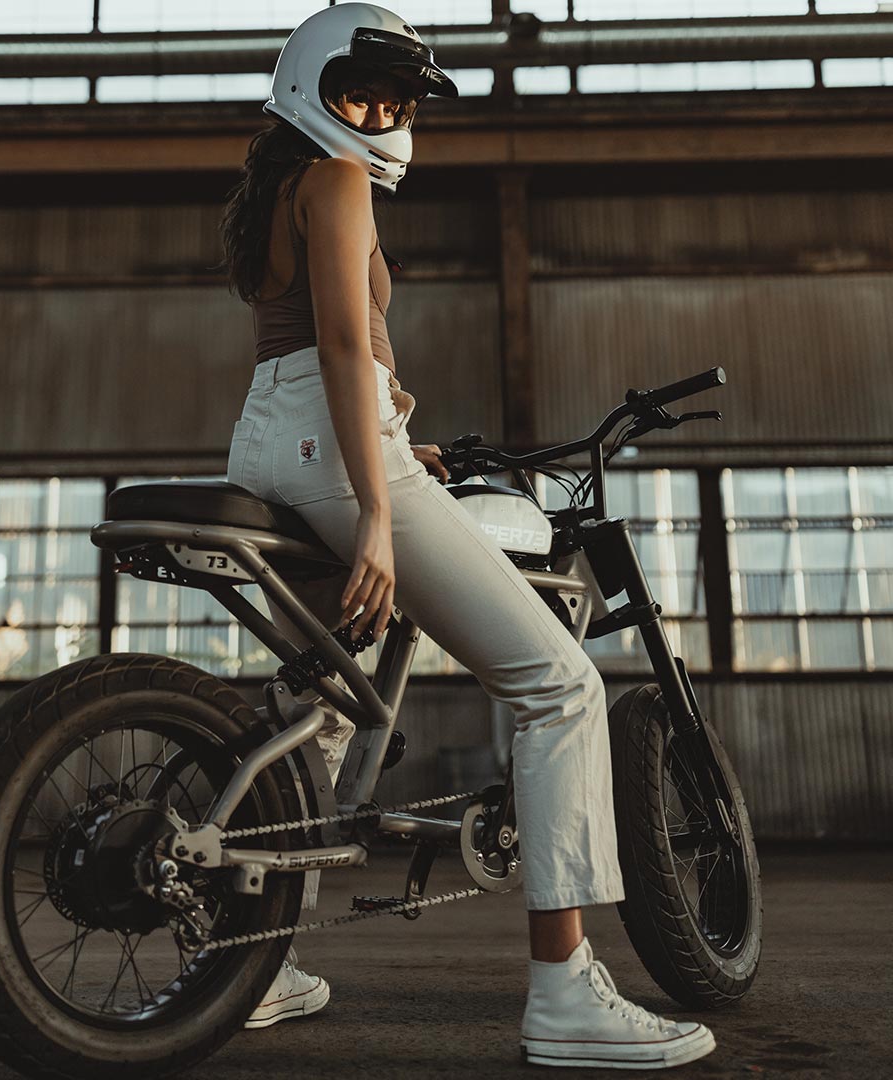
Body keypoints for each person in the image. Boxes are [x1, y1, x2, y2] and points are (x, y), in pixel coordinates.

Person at [220, 3, 716, 1068]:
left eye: (399, 99)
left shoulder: (282, 186)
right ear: (316, 82)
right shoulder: (338, 178)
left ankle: (249, 964)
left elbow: (317, 353)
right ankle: (564, 992)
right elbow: (347, 346)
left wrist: (406, 446)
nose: (386, 114)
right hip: (333, 446)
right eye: (368, 92)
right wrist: (383, 511)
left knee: (320, 709)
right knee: (559, 685)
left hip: (272, 440)